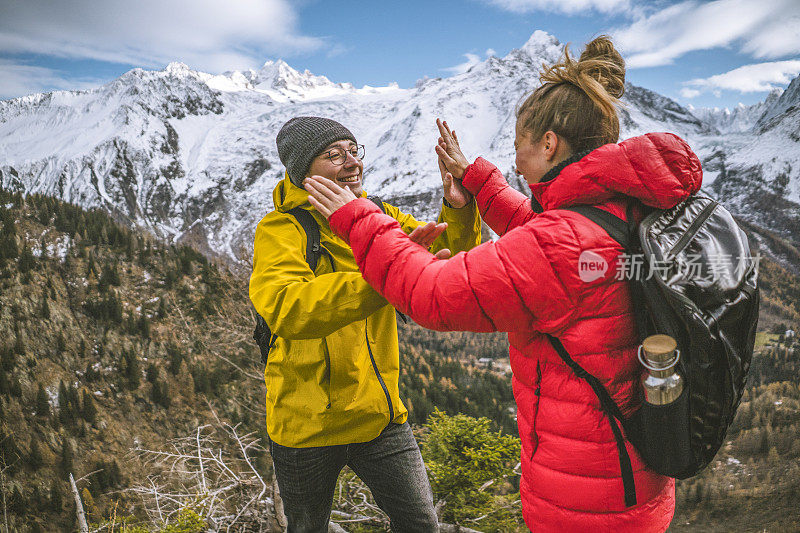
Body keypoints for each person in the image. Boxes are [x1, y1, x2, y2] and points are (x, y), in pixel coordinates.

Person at [304, 37, 702, 532]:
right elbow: (542, 244)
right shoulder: (619, 203)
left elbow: (433, 294)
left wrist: (358, 219)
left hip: (587, 498)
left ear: (549, 143)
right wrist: (477, 179)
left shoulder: (563, 242)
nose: (514, 160)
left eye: (518, 146)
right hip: (627, 471)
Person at [249, 116, 481, 532]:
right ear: (303, 172)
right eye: (333, 155)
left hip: (379, 416)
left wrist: (459, 209)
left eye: (353, 150)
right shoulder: (281, 230)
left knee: (420, 524)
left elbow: (444, 262)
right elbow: (288, 308)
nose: (351, 162)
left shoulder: (379, 213)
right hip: (306, 425)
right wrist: (384, 272)